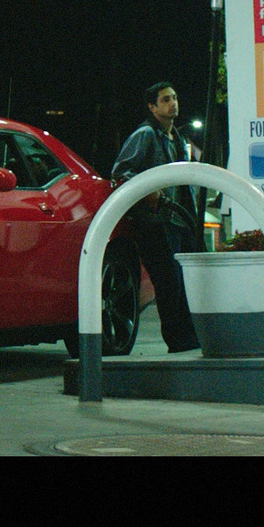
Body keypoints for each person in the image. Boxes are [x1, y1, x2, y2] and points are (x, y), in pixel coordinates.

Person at [110, 81, 201, 352]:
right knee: (169, 284)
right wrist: (149, 191)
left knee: (184, 284)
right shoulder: (146, 135)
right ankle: (178, 342)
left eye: (174, 98)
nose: (173, 103)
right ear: (152, 107)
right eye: (165, 100)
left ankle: (189, 340)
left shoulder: (178, 138)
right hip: (156, 223)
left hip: (180, 222)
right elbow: (121, 171)